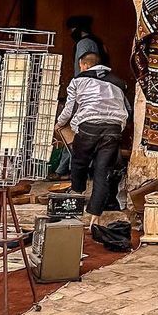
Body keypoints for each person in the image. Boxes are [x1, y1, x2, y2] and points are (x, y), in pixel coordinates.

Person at [56, 51, 131, 218]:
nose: (80, 68)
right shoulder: (118, 83)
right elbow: (128, 110)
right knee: (103, 171)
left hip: (89, 125)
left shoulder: (78, 80)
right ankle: (94, 215)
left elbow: (69, 109)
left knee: (79, 163)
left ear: (86, 65)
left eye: (80, 65)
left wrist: (60, 124)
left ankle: (76, 201)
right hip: (113, 129)